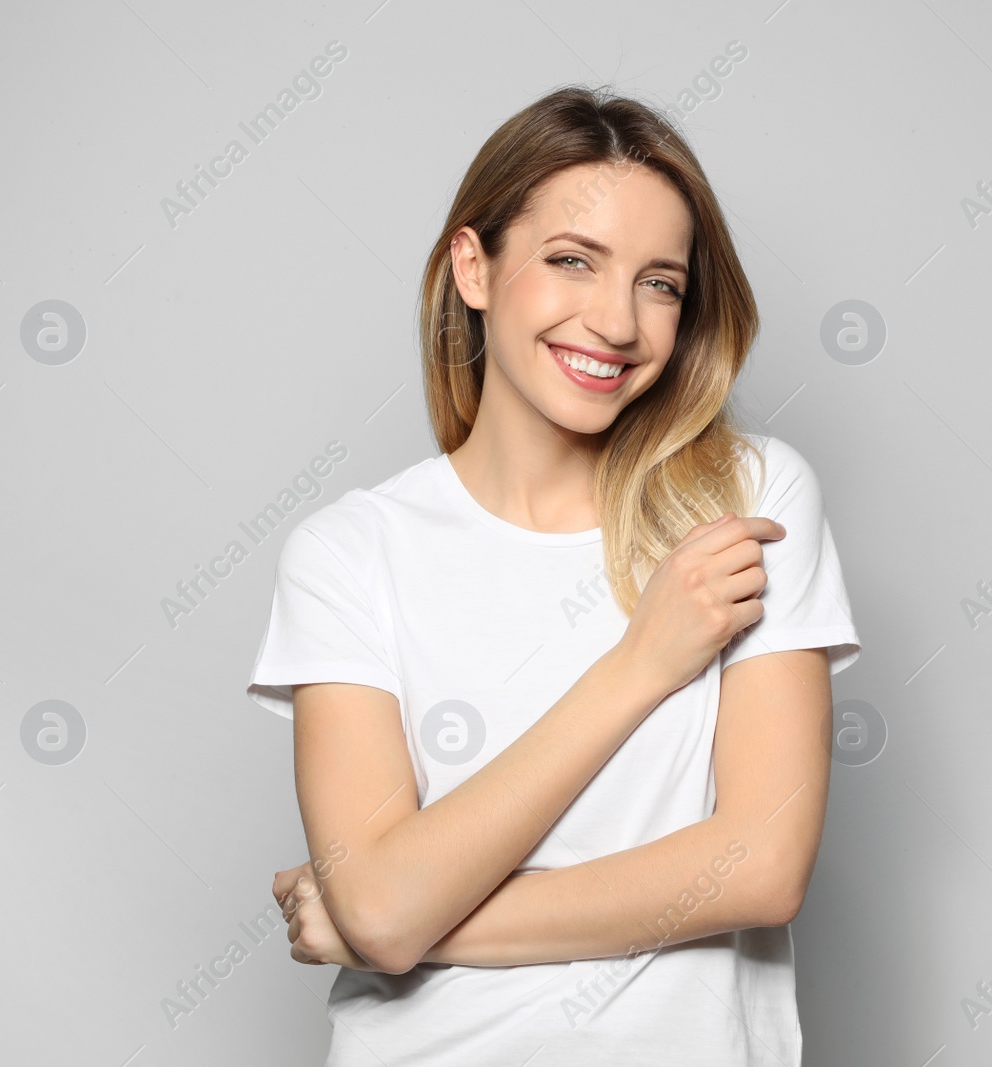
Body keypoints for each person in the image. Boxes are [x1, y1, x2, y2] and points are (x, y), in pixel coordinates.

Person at [245, 84, 861, 1066]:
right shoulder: (349, 553)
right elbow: (381, 903)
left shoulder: (745, 497)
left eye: (659, 282)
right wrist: (642, 661)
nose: (616, 322)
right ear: (473, 266)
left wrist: (392, 914)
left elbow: (759, 865)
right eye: (573, 261)